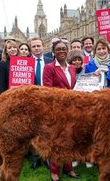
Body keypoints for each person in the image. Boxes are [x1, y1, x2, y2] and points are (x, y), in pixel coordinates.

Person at [43, 40, 81, 181]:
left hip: (72, 110)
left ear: (68, 50)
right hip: (57, 111)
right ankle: (54, 171)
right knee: (57, 142)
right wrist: (67, 96)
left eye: (64, 49)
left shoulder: (71, 68)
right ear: (53, 51)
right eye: (58, 49)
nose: (61, 51)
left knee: (70, 140)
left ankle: (68, 168)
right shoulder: (49, 68)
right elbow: (48, 91)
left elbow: (74, 87)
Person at [27, 37, 52, 169]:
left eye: (38, 46)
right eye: (34, 46)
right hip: (31, 100)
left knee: (47, 129)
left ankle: (46, 157)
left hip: (47, 100)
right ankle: (35, 157)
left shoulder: (50, 61)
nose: (36, 48)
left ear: (43, 46)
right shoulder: (25, 63)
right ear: (30, 48)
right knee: (33, 130)